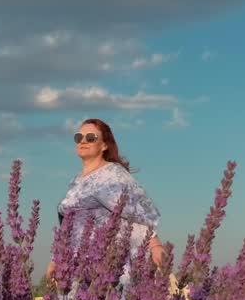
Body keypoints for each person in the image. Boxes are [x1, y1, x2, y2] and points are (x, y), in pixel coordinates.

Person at [46, 118, 165, 282]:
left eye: (90, 137)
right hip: (74, 266)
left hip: (106, 264)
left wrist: (154, 245)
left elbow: (137, 212)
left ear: (104, 145)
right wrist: (56, 259)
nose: (83, 141)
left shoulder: (112, 174)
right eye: (78, 137)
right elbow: (69, 228)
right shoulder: (76, 181)